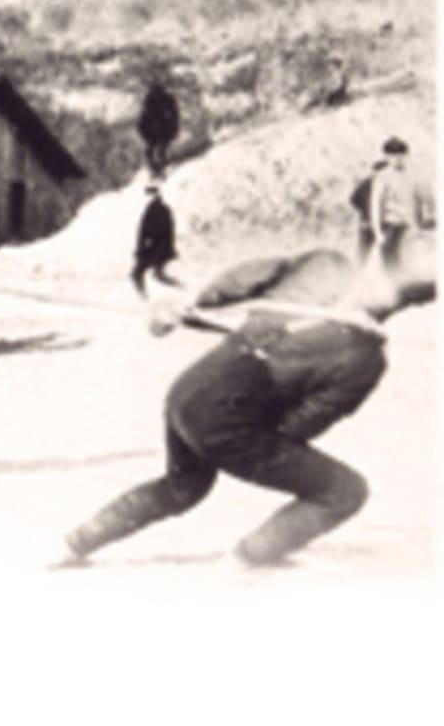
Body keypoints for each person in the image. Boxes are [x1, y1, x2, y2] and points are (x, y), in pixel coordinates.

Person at [62, 235, 435, 568]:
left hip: (187, 392)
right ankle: (247, 560)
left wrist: (190, 302)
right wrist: (250, 434)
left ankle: (76, 542)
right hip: (225, 422)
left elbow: (242, 279)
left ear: (377, 258)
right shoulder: (365, 358)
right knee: (344, 491)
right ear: (409, 303)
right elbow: (299, 426)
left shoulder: (326, 265)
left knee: (184, 487)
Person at [366, 136, 431, 270]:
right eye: (393, 156)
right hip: (392, 228)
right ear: (386, 157)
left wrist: (422, 225)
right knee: (391, 267)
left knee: (416, 267)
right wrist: (378, 233)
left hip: (413, 228)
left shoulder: (415, 176)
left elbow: (423, 201)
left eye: (401, 155)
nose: (397, 159)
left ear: (406, 155)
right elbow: (375, 206)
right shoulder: (382, 177)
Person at [131, 181, 181, 297]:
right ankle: (183, 291)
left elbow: (162, 231)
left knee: (138, 275)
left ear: (156, 194)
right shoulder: (153, 208)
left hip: (154, 248)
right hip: (153, 248)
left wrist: (147, 246)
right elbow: (144, 232)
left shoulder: (160, 209)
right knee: (158, 275)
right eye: (148, 193)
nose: (148, 195)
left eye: (151, 192)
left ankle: (145, 301)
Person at [137, 83, 180, 179]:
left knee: (159, 150)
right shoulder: (150, 102)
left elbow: (174, 117)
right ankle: (155, 169)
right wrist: (145, 133)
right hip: (153, 132)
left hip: (164, 131)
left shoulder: (166, 101)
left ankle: (161, 169)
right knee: (150, 151)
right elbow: (143, 120)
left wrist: (172, 130)